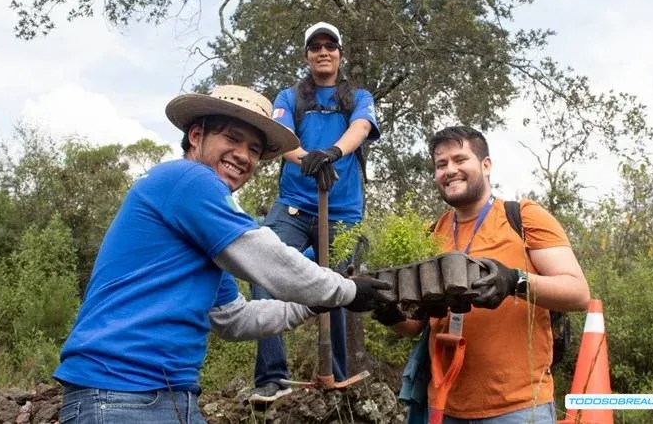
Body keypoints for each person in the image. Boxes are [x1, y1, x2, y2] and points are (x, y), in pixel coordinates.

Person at [54, 84, 389, 424]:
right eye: (232, 138)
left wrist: (314, 303)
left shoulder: (204, 229)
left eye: (254, 149)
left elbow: (233, 318)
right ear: (196, 136)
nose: (243, 155)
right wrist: (346, 291)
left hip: (170, 395)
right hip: (120, 392)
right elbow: (263, 254)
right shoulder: (188, 180)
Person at [374, 126, 590, 423]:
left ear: (486, 165)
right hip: (443, 405)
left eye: (460, 160)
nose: (450, 170)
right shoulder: (430, 234)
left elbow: (578, 293)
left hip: (519, 407)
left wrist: (514, 280)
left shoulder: (523, 217)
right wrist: (386, 310)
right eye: (441, 164)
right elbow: (416, 326)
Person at [249, 21, 380, 402]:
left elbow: (360, 127)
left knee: (337, 288)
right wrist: (307, 158)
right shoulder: (290, 97)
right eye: (315, 46)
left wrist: (333, 153)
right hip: (294, 206)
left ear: (340, 53)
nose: (323, 51)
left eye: (330, 46)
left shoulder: (357, 95)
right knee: (261, 269)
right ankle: (271, 377)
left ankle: (337, 377)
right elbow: (280, 137)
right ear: (307, 55)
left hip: (342, 213)